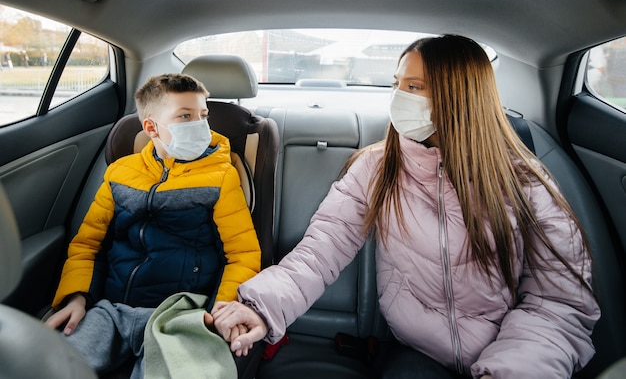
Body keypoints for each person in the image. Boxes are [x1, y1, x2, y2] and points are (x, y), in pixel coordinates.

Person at [211, 35, 600, 378]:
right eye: (397, 84)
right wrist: (260, 308)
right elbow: (320, 251)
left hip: (516, 351)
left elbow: (559, 303)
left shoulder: (524, 181)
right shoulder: (377, 167)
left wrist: (512, 370)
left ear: (459, 96)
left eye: (414, 86)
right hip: (417, 352)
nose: (398, 97)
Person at [45, 73, 261, 377]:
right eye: (185, 116)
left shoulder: (222, 177)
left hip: (180, 313)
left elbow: (242, 254)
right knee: (49, 365)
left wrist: (221, 311)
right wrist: (76, 296)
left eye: (203, 115)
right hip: (110, 308)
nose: (199, 124)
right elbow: (87, 244)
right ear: (151, 128)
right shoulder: (120, 172)